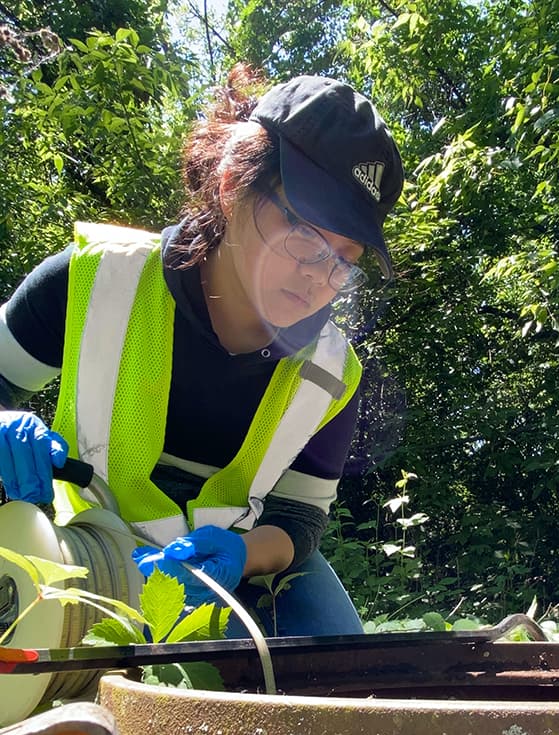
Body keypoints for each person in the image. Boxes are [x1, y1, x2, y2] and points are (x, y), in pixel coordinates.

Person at [0, 64, 404, 636]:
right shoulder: (90, 283)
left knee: (344, 685)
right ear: (232, 183)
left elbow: (298, 517)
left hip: (235, 571)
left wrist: (243, 555)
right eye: (307, 233)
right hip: (89, 553)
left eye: (345, 256)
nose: (321, 276)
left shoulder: (331, 374)